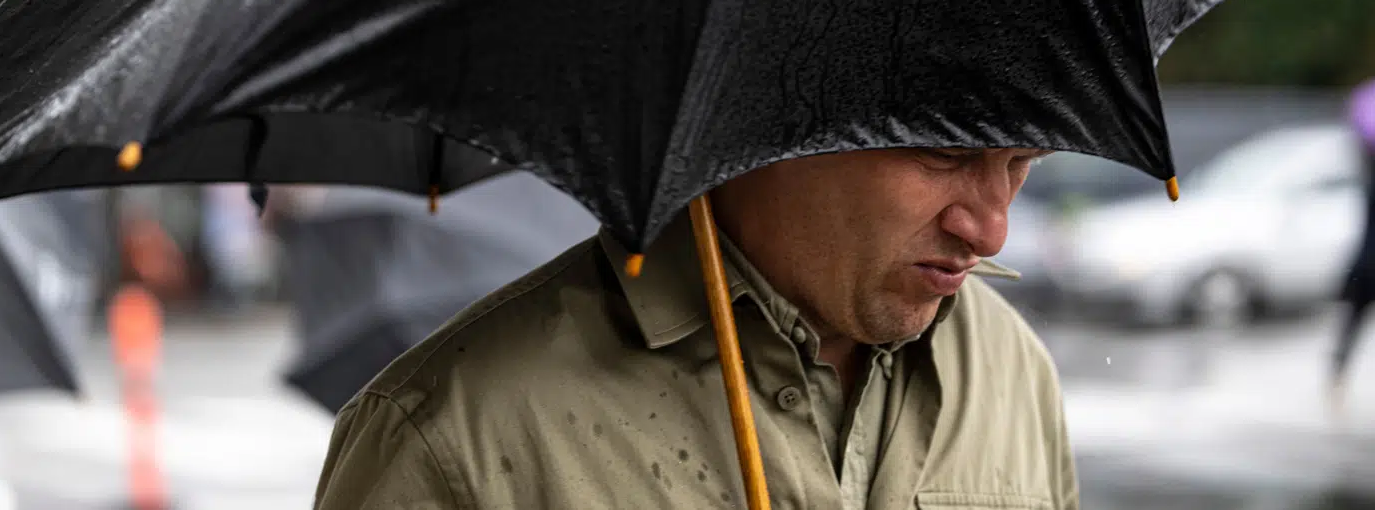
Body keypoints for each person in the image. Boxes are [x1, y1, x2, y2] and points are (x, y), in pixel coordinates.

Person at [314, 146, 1074, 509]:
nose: (991, 227)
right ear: (782, 125)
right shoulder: (454, 435)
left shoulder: (1010, 369)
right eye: (944, 155)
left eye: (1019, 162)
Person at [1331, 79, 1375, 411]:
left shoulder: (1366, 178)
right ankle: (1336, 381)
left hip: (1364, 265)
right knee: (1352, 325)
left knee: (1351, 326)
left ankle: (1335, 382)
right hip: (1367, 265)